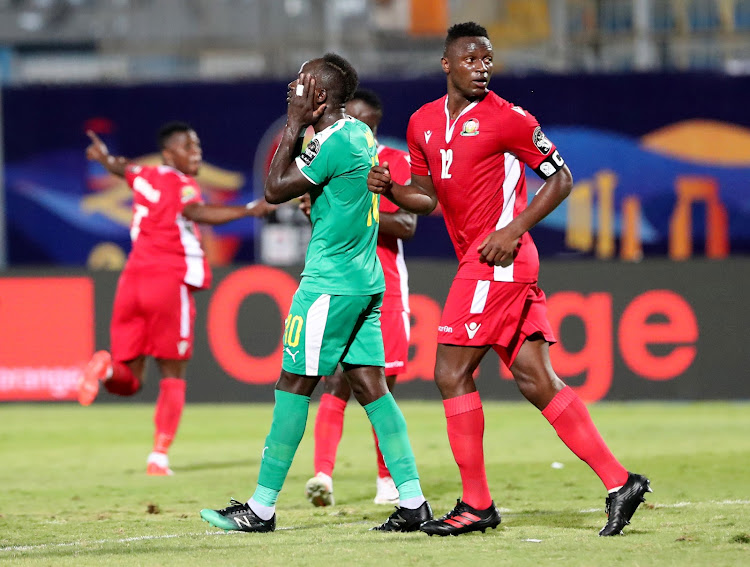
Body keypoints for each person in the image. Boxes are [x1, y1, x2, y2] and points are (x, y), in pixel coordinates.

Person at [367, 22, 651, 537]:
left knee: (449, 372)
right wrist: (392, 188)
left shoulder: (510, 119)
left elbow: (561, 178)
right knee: (536, 380)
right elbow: (426, 197)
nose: (482, 67)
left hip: (497, 261)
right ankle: (620, 481)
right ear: (447, 63)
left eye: (488, 59)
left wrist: (513, 228)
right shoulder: (423, 123)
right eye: (472, 58)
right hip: (487, 265)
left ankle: (476, 505)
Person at [199, 53, 432, 533]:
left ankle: (260, 508)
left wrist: (291, 125)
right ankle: (413, 502)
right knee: (372, 388)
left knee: (293, 386)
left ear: (319, 97)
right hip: (365, 281)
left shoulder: (336, 140)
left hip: (331, 284)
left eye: (301, 83)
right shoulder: (353, 134)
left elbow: (274, 188)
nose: (292, 87)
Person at [79, 122, 276, 476]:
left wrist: (103, 157)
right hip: (167, 282)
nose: (196, 152)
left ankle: (105, 366)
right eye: (188, 146)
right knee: (173, 373)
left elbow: (122, 167)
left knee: (129, 378)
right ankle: (159, 456)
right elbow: (197, 212)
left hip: (131, 281)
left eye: (198, 146)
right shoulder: (182, 184)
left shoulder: (145, 175)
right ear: (169, 154)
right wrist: (248, 210)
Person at [302, 89, 417, 508]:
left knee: (381, 383)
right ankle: (322, 475)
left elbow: (406, 224)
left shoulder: (392, 161)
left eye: (363, 122)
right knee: (334, 380)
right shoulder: (330, 155)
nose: (353, 127)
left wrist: (352, 213)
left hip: (384, 285)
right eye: (348, 118)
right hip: (337, 281)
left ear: (375, 124)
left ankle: (387, 481)